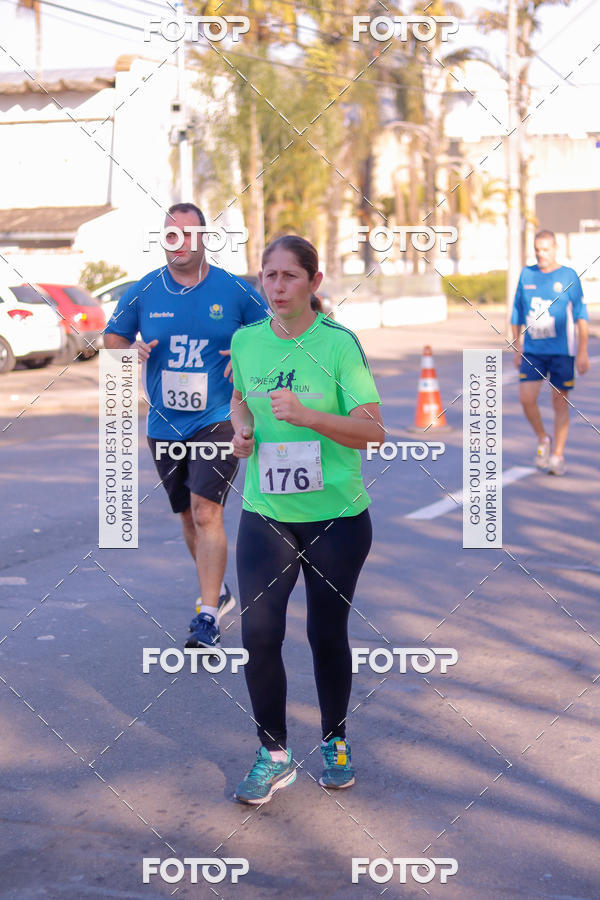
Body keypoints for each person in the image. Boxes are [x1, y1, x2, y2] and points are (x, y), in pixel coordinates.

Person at [229, 235, 383, 804]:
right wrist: (242, 432)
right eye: (268, 275)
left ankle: (335, 741)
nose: (276, 286)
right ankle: (273, 754)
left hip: (336, 518)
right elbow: (240, 400)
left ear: (314, 283)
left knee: (325, 634)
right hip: (266, 511)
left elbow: (373, 431)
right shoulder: (246, 341)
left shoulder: (339, 346)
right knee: (259, 634)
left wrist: (311, 416)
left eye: (289, 276)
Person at [104, 202, 267, 647]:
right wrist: (127, 350)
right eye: (169, 235)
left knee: (205, 511)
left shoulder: (234, 291)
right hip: (163, 423)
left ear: (203, 239)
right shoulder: (143, 290)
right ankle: (218, 591)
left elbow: (273, 336)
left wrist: (246, 356)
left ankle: (208, 615)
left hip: (217, 417)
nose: (177, 244)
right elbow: (112, 337)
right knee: (187, 518)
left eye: (186, 235)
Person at [511, 230, 589, 475]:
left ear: (555, 249)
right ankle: (543, 438)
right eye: (537, 249)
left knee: (560, 402)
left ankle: (557, 455)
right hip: (533, 351)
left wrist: (583, 351)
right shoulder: (527, 274)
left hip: (561, 352)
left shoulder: (568, 276)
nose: (541, 254)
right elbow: (516, 312)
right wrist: (517, 345)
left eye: (545, 249)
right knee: (526, 398)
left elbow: (580, 316)